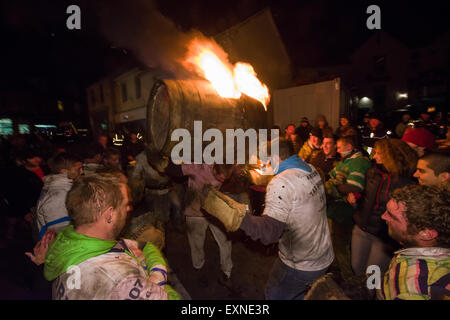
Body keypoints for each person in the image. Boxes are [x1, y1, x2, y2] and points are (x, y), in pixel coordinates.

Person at [200, 138, 334, 299]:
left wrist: (234, 216)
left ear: (275, 157)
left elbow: (268, 233)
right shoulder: (310, 169)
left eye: (267, 159)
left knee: (273, 294)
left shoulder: (281, 182)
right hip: (323, 254)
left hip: (300, 263)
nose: (265, 163)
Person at [42, 174, 180, 300]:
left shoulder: (68, 240)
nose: (129, 209)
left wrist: (155, 269)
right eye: (125, 205)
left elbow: (145, 246)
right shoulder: (120, 278)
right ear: (109, 214)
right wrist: (158, 278)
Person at [351, 139, 418, 278]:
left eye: (379, 153)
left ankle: (371, 296)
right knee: (357, 267)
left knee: (373, 275)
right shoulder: (372, 172)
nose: (374, 156)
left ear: (392, 155)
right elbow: (367, 197)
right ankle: (359, 292)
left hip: (383, 237)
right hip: (362, 228)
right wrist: (356, 198)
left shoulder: (407, 182)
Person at [380, 185, 449, 300]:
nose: (383, 216)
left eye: (392, 216)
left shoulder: (412, 290)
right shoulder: (416, 249)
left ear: (426, 233)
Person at [325, 136, 371, 280]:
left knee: (342, 245)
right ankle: (339, 268)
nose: (337, 150)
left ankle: (349, 278)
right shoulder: (346, 161)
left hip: (346, 211)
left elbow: (354, 186)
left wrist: (335, 187)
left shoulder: (358, 162)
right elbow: (331, 176)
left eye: (339, 147)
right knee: (335, 241)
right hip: (337, 208)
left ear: (349, 147)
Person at [35, 153, 83, 241]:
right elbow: (59, 231)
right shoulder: (58, 194)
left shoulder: (59, 187)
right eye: (78, 169)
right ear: (64, 171)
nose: (82, 172)